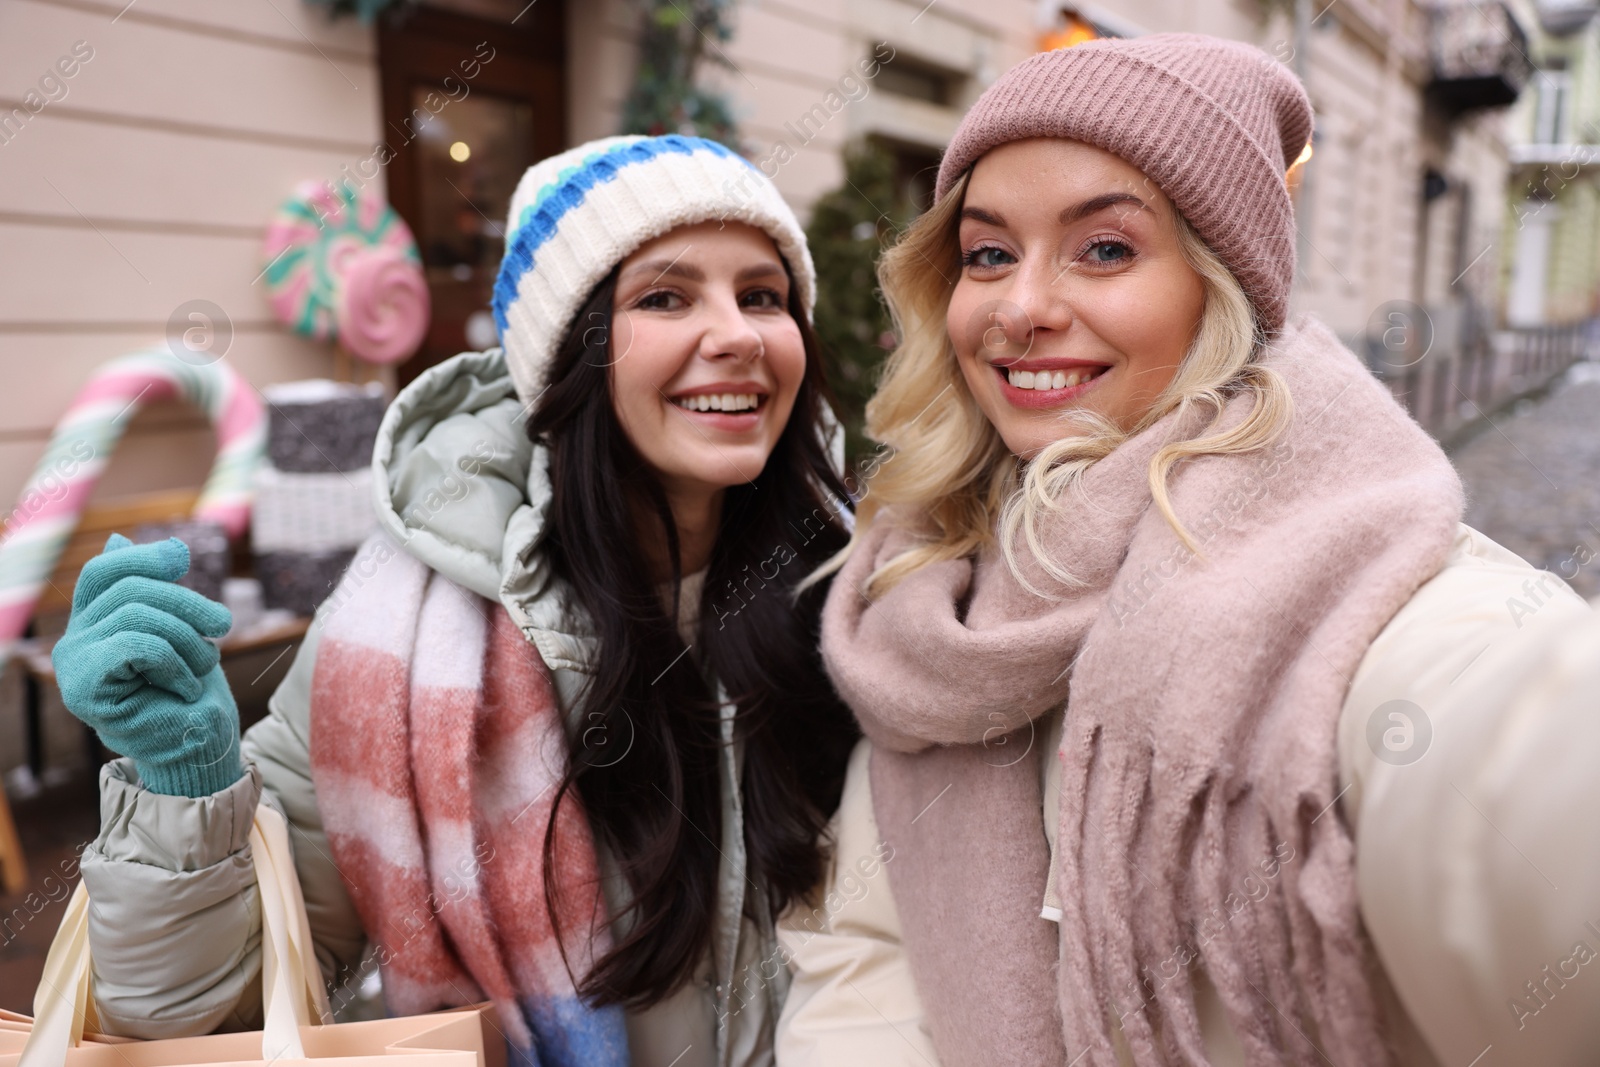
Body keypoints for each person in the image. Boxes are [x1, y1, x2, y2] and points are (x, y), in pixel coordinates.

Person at [775, 36, 1600, 1067]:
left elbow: (1503, 759)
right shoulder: (928, 579)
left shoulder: (1365, 588)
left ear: (1220, 288)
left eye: (1105, 247)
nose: (1021, 306)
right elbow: (867, 944)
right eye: (988, 253)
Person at [51, 134, 860, 1067]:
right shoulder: (392, 647)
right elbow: (205, 1019)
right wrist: (181, 790)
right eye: (665, 296)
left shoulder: (857, 600)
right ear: (568, 355)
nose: (739, 334)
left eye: (763, 295)